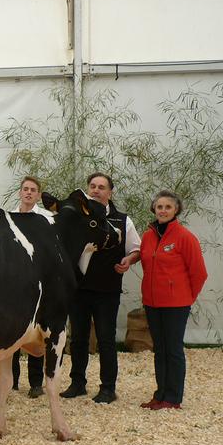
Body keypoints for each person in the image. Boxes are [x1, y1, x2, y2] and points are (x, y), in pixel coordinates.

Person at [60, 172, 141, 404]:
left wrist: (129, 260)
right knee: (78, 339)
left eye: (101, 187)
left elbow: (136, 249)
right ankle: (77, 383)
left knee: (106, 339)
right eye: (92, 186)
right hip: (78, 289)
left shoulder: (122, 220)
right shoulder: (75, 217)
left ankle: (108, 388)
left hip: (107, 290)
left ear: (110, 192)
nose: (96, 190)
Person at [139, 190, 207, 410]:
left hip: (176, 305)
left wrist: (186, 298)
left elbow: (199, 273)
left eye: (168, 207)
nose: (163, 210)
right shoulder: (148, 236)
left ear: (176, 209)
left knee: (173, 350)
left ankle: (173, 397)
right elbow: (147, 266)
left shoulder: (185, 237)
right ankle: (160, 394)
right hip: (152, 303)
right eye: (159, 207)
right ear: (154, 209)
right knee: (160, 349)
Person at [9, 176, 53, 399]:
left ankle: (36, 383)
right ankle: (10, 382)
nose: (28, 193)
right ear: (20, 192)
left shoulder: (47, 219)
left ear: (38, 195)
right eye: (25, 189)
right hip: (13, 283)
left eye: (32, 190)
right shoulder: (9, 217)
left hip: (38, 283)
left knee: (36, 332)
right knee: (11, 331)